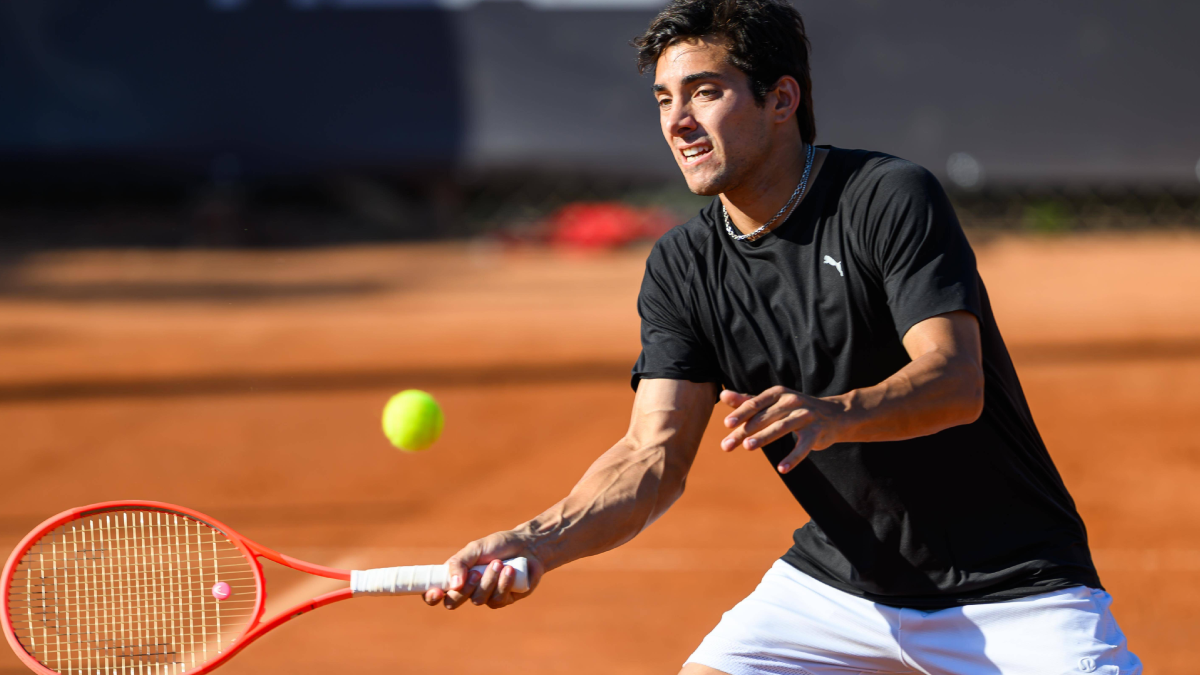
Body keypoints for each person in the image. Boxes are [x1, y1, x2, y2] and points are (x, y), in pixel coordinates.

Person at [422, 0, 1141, 672]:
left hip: (1016, 585)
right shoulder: (683, 265)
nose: (678, 122)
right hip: (841, 585)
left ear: (781, 99)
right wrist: (534, 541)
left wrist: (836, 412)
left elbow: (955, 381)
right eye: (665, 100)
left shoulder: (886, 198)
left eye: (705, 92)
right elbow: (651, 454)